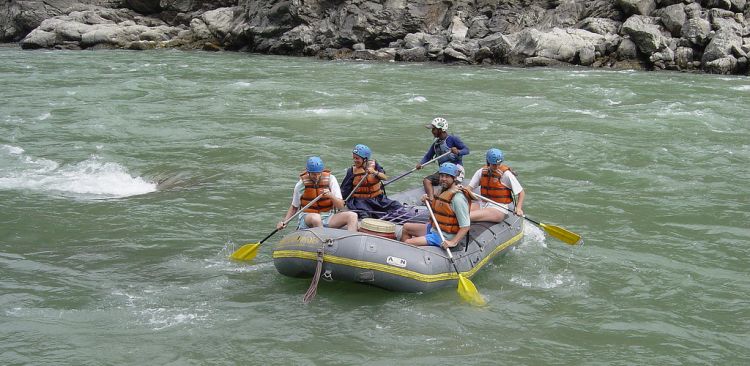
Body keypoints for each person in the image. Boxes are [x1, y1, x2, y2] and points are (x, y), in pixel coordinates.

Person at [277, 156, 358, 232]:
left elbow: (340, 206)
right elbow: (294, 207)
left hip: (328, 217)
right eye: (313, 174)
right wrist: (285, 222)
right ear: (308, 172)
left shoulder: (331, 179)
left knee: (352, 216)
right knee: (316, 218)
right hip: (308, 218)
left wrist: (331, 196)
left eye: (319, 173)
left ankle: (353, 241)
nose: (317, 177)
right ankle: (323, 242)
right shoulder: (301, 185)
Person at [401, 162, 472, 248]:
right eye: (442, 176)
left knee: (407, 242)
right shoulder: (442, 191)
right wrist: (426, 202)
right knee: (406, 227)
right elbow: (436, 212)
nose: (443, 179)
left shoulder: (458, 199)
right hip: (435, 229)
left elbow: (465, 226)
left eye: (447, 176)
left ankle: (406, 253)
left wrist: (453, 242)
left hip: (444, 236)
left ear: (454, 178)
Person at [415, 117, 470, 202]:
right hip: (443, 171)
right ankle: (431, 200)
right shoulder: (436, 144)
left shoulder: (453, 139)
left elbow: (466, 150)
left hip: (456, 169)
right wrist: (421, 164)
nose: (432, 131)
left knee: (448, 186)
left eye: (434, 129)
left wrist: (458, 151)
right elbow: (428, 156)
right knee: (426, 181)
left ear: (441, 129)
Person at [340, 144, 403, 219]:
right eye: (354, 158)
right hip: (360, 201)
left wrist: (374, 172)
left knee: (396, 205)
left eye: (357, 158)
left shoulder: (375, 165)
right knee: (365, 215)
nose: (355, 160)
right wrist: (341, 202)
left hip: (377, 198)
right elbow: (345, 190)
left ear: (365, 159)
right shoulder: (351, 171)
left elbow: (385, 178)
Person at [466, 148, 525, 223]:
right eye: (494, 165)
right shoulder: (481, 172)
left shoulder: (506, 174)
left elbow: (521, 192)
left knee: (465, 216)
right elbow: (469, 188)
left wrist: (518, 208)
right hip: (483, 204)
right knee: (456, 212)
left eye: (498, 164)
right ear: (488, 162)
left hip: (498, 208)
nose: (496, 167)